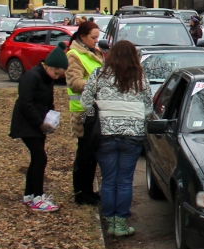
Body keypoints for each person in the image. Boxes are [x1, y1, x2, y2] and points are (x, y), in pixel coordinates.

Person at [81, 41, 152, 237]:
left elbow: (85, 102)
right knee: (125, 181)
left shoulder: (98, 74)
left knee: (108, 178)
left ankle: (109, 221)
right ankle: (121, 223)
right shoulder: (140, 77)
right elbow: (148, 108)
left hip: (104, 134)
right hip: (132, 135)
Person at [10, 44, 69, 212]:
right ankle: (38, 198)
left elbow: (47, 102)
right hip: (27, 124)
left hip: (38, 125)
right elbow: (25, 104)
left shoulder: (47, 79)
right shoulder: (32, 77)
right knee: (40, 158)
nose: (57, 77)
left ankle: (29, 195)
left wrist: (51, 117)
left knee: (36, 159)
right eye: (56, 73)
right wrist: (40, 123)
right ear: (48, 66)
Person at [67, 19, 105, 205]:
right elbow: (74, 83)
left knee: (91, 154)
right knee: (84, 154)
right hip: (83, 112)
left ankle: (88, 190)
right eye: (93, 37)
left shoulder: (93, 52)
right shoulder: (74, 55)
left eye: (98, 37)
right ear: (82, 37)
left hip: (94, 110)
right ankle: (81, 193)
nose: (96, 41)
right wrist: (97, 84)